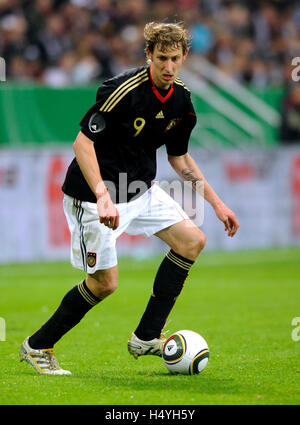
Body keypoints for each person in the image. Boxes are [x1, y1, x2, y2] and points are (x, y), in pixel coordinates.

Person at [20, 22, 239, 375]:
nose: (169, 67)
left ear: (185, 57)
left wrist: (217, 204)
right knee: (104, 284)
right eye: (162, 58)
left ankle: (146, 336)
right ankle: (38, 345)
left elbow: (179, 158)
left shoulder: (181, 99)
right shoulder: (122, 90)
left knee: (192, 241)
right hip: (93, 197)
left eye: (175, 59)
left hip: (140, 190)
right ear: (148, 55)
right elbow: (82, 143)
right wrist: (103, 197)